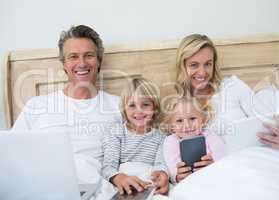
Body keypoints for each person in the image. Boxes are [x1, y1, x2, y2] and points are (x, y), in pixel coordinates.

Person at [12, 25, 122, 184]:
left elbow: (139, 151)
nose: (82, 63)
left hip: (97, 187)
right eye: (73, 56)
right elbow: (13, 155)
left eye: (89, 55)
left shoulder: (119, 106)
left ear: (99, 61)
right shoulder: (37, 105)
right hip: (46, 185)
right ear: (63, 63)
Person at [175, 34, 279, 152]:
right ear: (183, 66)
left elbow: (269, 120)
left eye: (207, 64)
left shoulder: (232, 87)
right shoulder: (179, 107)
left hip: (253, 157)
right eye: (194, 65)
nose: (202, 72)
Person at [102, 77, 169, 195]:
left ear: (155, 108)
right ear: (124, 109)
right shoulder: (116, 132)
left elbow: (160, 165)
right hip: (122, 183)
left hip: (147, 183)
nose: (139, 111)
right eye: (132, 105)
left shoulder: (161, 137)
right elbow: (108, 167)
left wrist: (162, 174)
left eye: (145, 105)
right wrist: (118, 178)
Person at [161, 96, 225, 183]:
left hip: (212, 178)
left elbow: (222, 159)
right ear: (171, 125)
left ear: (203, 120)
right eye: (179, 121)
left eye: (192, 118)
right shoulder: (170, 141)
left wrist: (214, 165)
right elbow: (172, 168)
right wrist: (177, 176)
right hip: (188, 183)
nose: (187, 125)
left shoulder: (210, 136)